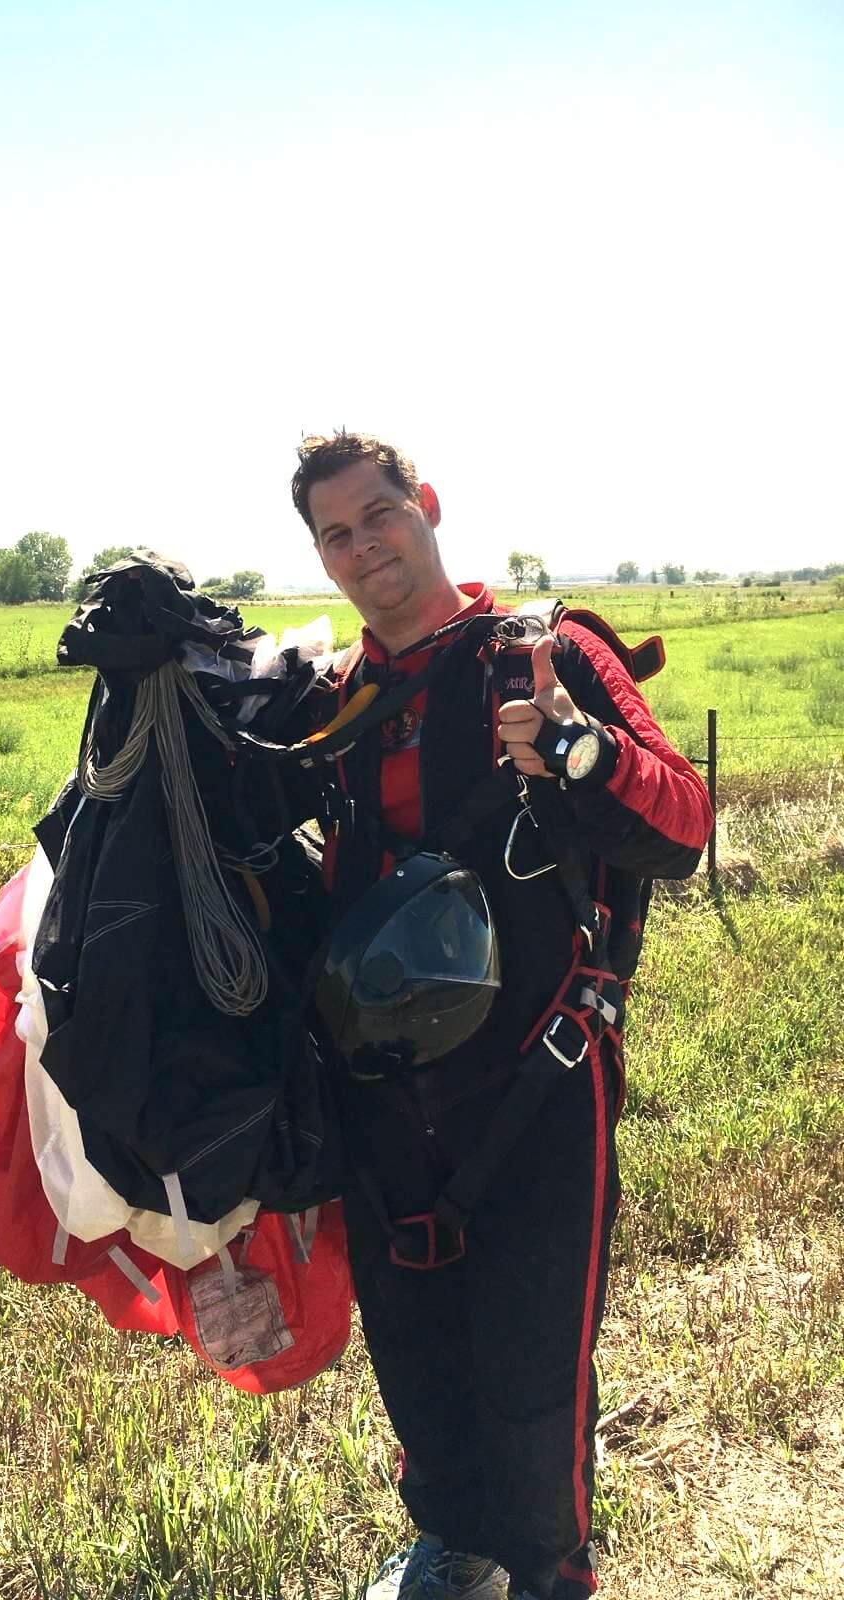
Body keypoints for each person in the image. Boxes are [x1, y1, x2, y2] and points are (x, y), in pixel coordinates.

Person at [290, 433, 714, 1600]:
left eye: (380, 512)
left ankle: (549, 1572)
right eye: (337, 532)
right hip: (381, 1095)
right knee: (416, 1344)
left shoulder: (546, 651)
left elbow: (683, 827)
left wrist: (581, 752)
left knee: (535, 1355)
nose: (366, 543)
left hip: (536, 1074)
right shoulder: (336, 709)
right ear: (320, 556)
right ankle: (454, 1541)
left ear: (426, 503)